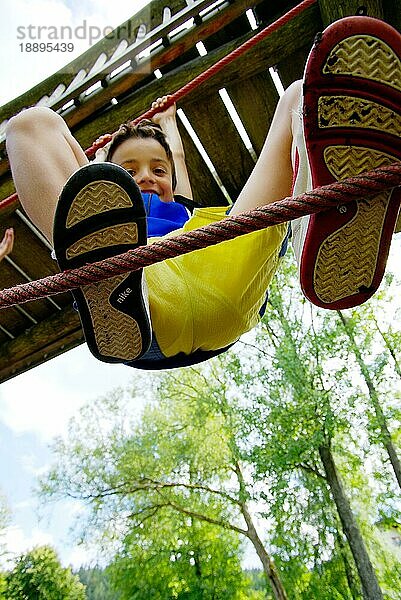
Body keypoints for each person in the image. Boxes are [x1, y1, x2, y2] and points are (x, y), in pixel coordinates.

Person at [5, 15, 401, 368]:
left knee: (298, 96)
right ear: (110, 171)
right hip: (145, 300)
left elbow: (174, 159)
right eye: (130, 170)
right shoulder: (114, 206)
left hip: (222, 268)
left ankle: (326, 213)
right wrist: (102, 162)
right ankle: (101, 278)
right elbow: (89, 184)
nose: (146, 177)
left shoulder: (181, 208)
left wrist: (167, 121)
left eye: (158, 170)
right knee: (31, 124)